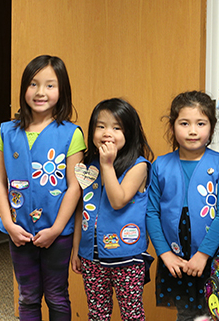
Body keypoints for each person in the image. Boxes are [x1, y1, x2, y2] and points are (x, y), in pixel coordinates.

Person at [0, 55, 85, 320]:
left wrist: (56, 229)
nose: (40, 92)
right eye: (33, 84)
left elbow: (74, 188)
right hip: (18, 230)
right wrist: (8, 224)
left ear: (62, 90)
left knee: (57, 295)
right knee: (28, 296)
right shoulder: (6, 132)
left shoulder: (71, 134)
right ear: (24, 88)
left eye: (50, 85)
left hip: (57, 232)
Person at [146, 91, 219, 321]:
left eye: (201, 123)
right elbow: (152, 213)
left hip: (210, 254)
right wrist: (165, 254)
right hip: (176, 258)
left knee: (216, 312)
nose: (193, 130)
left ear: (211, 128)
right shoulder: (160, 165)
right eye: (184, 123)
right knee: (185, 314)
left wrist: (203, 255)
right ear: (173, 126)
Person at [70, 98, 154, 321]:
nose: (108, 132)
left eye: (117, 127)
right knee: (97, 314)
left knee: (132, 315)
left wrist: (107, 164)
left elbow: (118, 201)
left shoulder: (138, 166)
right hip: (91, 256)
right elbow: (81, 210)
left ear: (130, 132)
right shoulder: (88, 165)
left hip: (126, 257)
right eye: (101, 126)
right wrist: (77, 249)